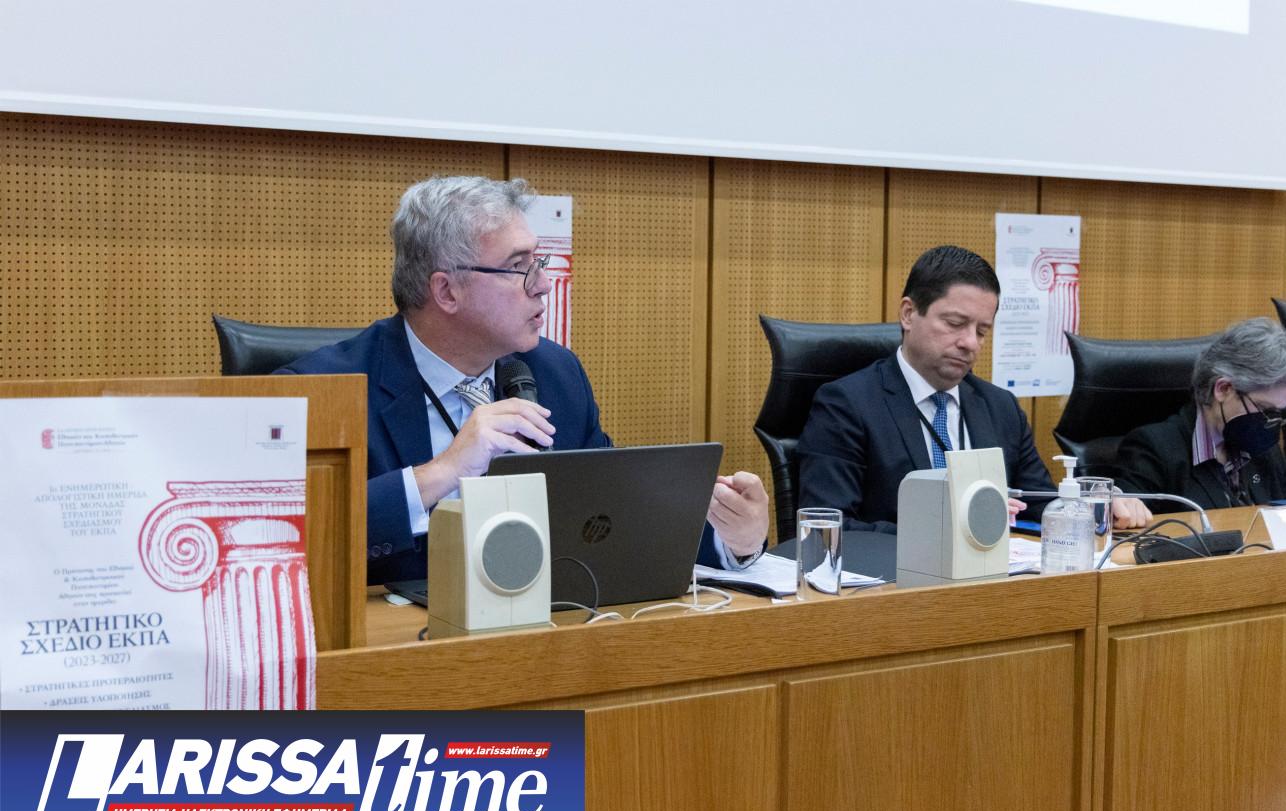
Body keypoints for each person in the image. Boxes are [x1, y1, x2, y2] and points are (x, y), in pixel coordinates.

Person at [281, 175, 768, 585]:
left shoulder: (555, 373)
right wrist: (443, 471)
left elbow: (610, 519)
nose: (543, 284)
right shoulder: (321, 391)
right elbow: (287, 537)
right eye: (518, 268)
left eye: (539, 263)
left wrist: (733, 539)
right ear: (446, 291)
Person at [797, 244, 1151, 532]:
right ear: (908, 314)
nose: (970, 343)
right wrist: (949, 524)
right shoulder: (847, 405)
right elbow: (829, 526)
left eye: (982, 331)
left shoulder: (1000, 408)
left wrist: (1094, 509)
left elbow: (1038, 503)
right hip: (895, 587)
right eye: (955, 323)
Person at [1113, 318, 1286, 512]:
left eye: (1276, 412)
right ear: (1223, 389)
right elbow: (1125, 507)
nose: (1269, 422)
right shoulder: (1155, 448)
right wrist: (1121, 503)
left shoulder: (1264, 450)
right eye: (1263, 408)